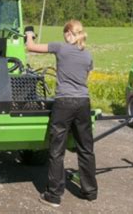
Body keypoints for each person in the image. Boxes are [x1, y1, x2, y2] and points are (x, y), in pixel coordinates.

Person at [25, 20, 98, 208]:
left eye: (64, 33)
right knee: (86, 148)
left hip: (64, 103)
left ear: (68, 33)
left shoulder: (60, 48)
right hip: (83, 103)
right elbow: (84, 79)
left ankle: (54, 195)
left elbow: (31, 47)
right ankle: (90, 192)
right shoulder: (88, 55)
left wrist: (29, 34)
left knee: (57, 150)